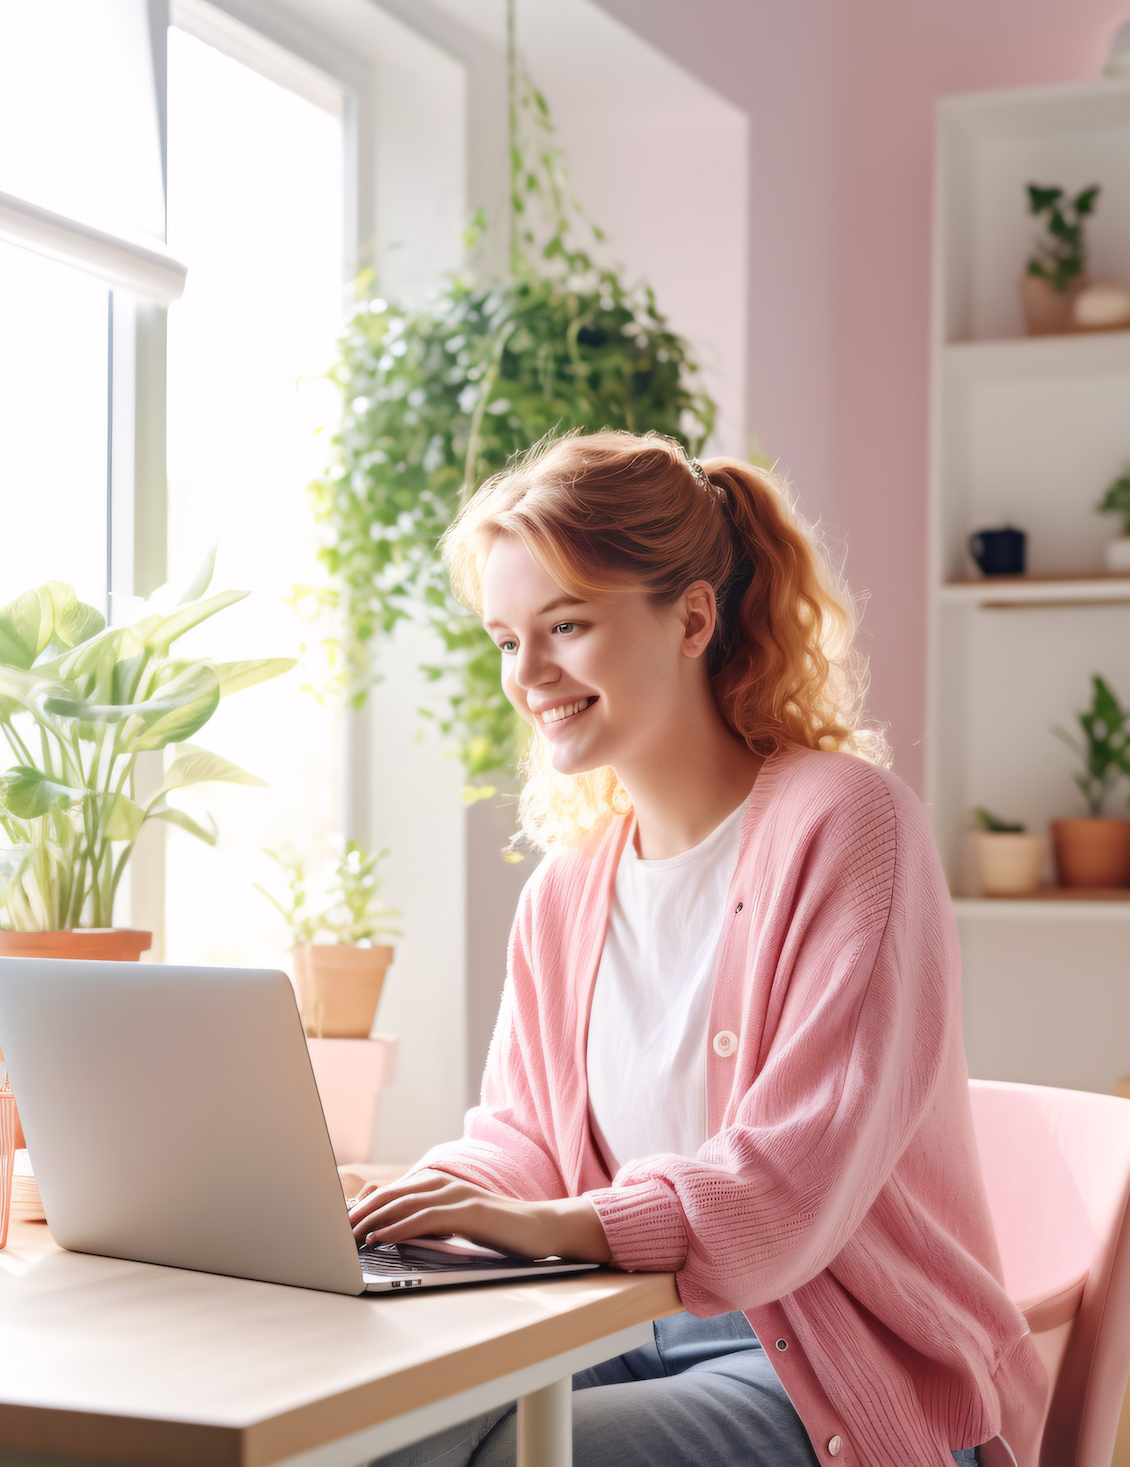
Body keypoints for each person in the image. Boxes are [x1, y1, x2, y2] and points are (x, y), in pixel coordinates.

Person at [349, 433, 1041, 1467]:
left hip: (827, 1364)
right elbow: (525, 1140)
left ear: (693, 618)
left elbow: (786, 1187)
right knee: (372, 1438)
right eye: (504, 639)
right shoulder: (563, 893)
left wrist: (553, 1227)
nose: (527, 676)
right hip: (614, 1327)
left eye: (566, 626)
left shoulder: (848, 828)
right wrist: (415, 1204)